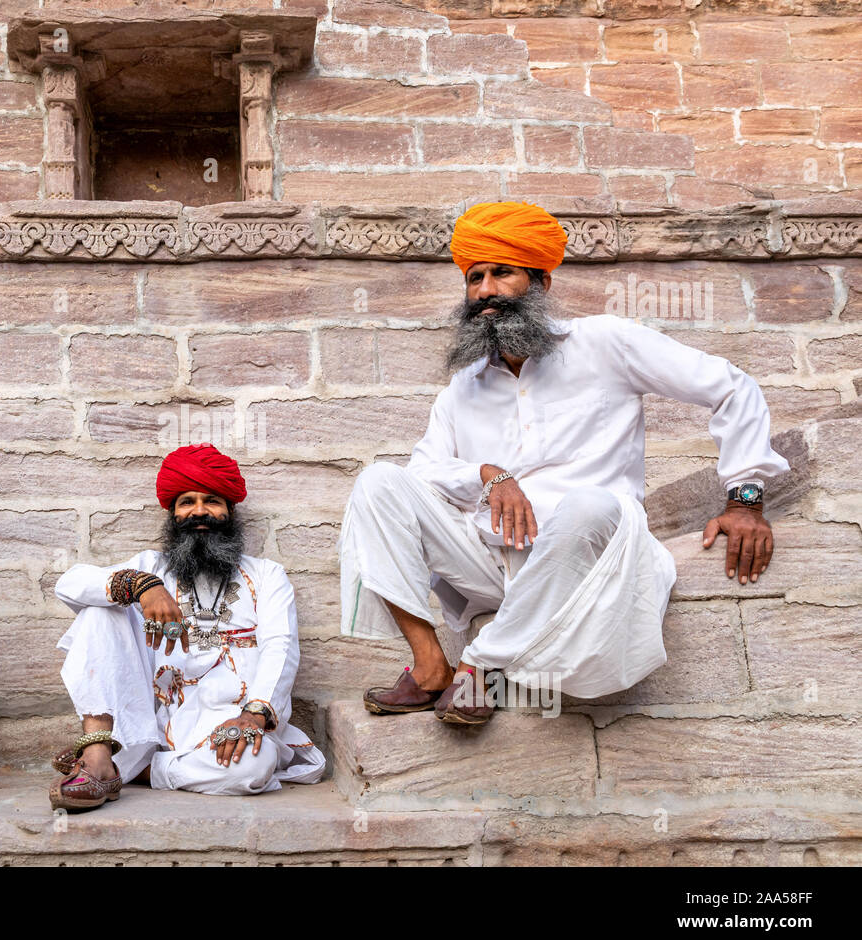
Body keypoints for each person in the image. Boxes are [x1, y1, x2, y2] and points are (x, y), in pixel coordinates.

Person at [340, 201, 789, 724]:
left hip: (586, 559)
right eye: (474, 277)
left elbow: (732, 387)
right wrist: (487, 475)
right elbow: (422, 475)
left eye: (502, 273)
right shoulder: (463, 387)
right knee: (378, 483)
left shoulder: (604, 342)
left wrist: (746, 498)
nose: (484, 290)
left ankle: (480, 665)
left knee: (593, 504)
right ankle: (428, 664)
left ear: (541, 284)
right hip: (488, 566)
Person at [49, 443, 325, 811]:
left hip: (230, 718)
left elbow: (281, 646)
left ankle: (132, 771)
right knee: (100, 610)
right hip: (151, 723)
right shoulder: (151, 565)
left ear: (230, 511)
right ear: (173, 514)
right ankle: (100, 756)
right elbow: (69, 583)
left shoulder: (266, 575)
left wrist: (254, 714)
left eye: (212, 501)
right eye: (187, 502)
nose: (199, 511)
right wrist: (140, 585)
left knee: (251, 768)